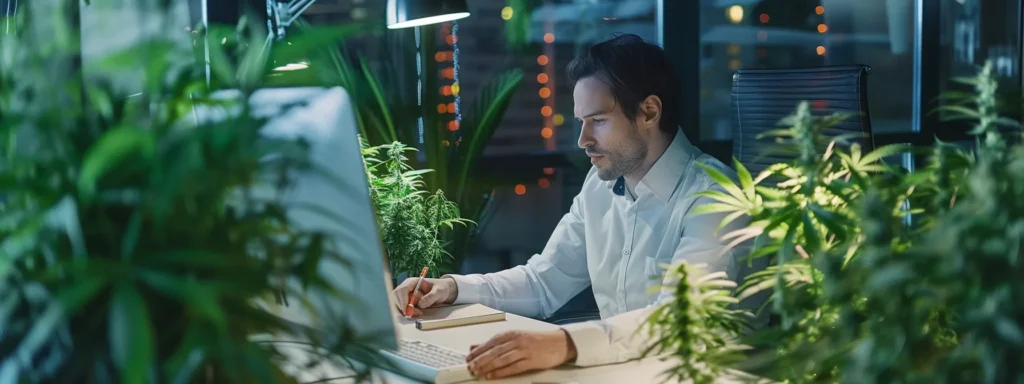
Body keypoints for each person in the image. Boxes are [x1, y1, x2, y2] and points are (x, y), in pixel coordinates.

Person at [392, 34, 767, 380]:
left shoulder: (714, 196)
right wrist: (452, 289)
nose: (584, 140)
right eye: (582, 122)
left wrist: (566, 344)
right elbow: (543, 281)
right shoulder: (600, 187)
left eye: (598, 121)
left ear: (649, 112)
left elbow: (679, 322)